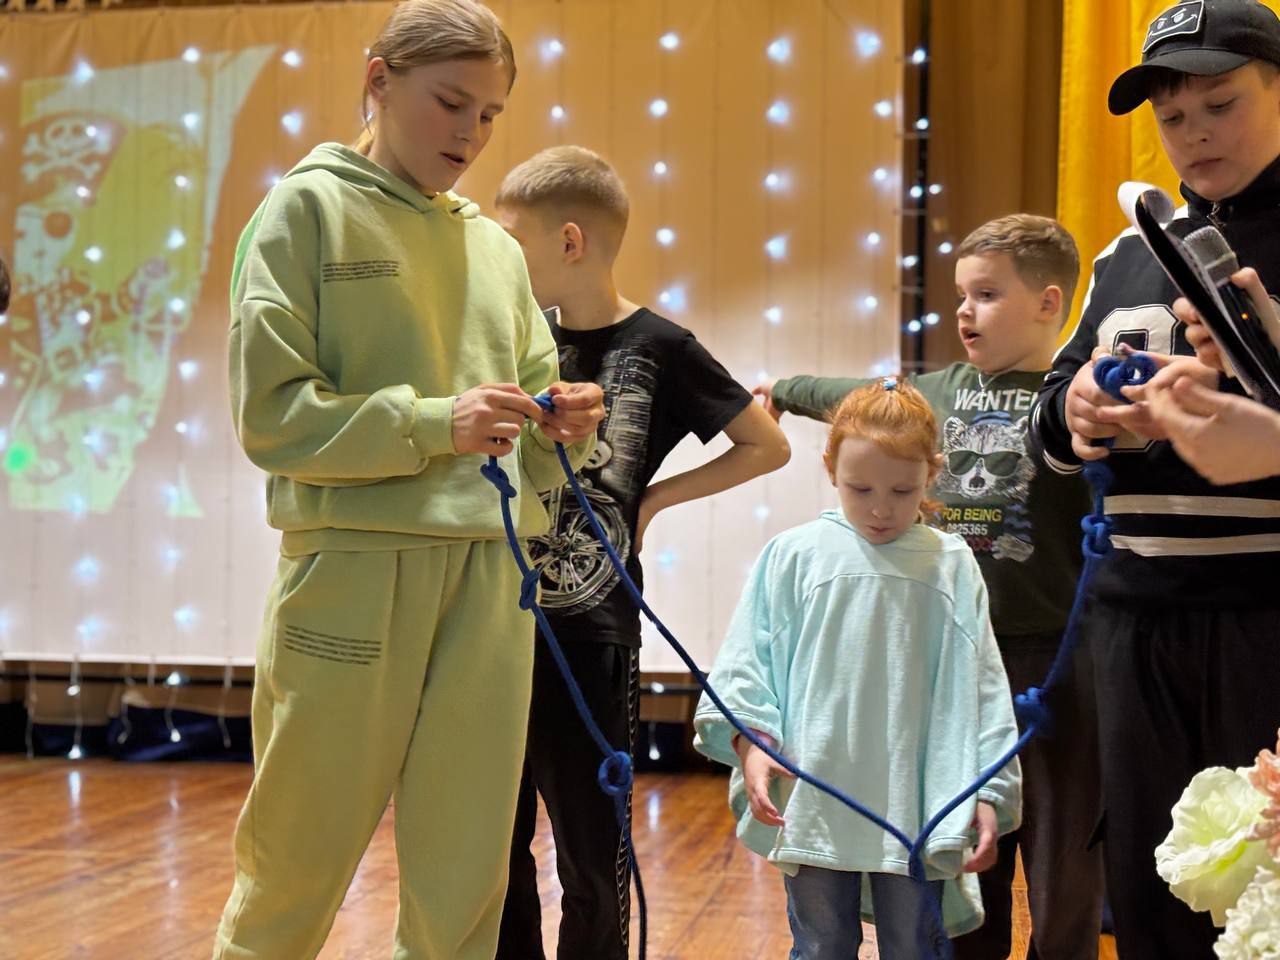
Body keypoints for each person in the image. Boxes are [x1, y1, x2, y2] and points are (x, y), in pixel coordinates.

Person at [211, 3, 604, 957]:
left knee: (467, 879)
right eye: (451, 103)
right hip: (351, 568)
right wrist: (435, 423)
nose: (470, 134)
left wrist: (564, 427)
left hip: (491, 577)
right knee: (295, 864)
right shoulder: (305, 210)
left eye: (491, 114)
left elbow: (530, 437)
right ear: (378, 79)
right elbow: (272, 416)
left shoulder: (495, 249)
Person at [757, 214, 1102, 959]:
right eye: (961, 296)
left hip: (1060, 663)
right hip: (950, 664)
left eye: (987, 295)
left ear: (1049, 303)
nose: (965, 311)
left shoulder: (1073, 397)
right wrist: (783, 388)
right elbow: (853, 396)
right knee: (963, 847)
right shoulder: (937, 392)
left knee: (1064, 859)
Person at [492, 144, 791, 960]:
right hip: (496, 625)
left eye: (512, 243)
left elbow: (766, 445)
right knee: (494, 851)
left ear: (570, 242)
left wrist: (654, 498)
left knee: (593, 855)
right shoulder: (513, 338)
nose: (500, 263)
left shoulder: (661, 346)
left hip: (594, 633)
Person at [1028, 2, 1280, 955]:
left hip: (1266, 611)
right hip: (1132, 620)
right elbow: (1046, 429)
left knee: (1264, 891)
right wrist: (1081, 407)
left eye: (1222, 104)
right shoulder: (1126, 252)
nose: (1195, 133)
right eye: (1172, 117)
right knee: (1150, 883)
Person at [694, 379, 1022, 960]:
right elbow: (748, 663)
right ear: (831, 469)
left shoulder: (950, 564)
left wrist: (990, 788)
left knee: (913, 946)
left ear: (932, 473)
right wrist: (753, 744)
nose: (880, 508)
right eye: (860, 487)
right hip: (813, 797)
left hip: (917, 804)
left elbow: (983, 686)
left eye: (902, 490)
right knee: (822, 945)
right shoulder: (794, 555)